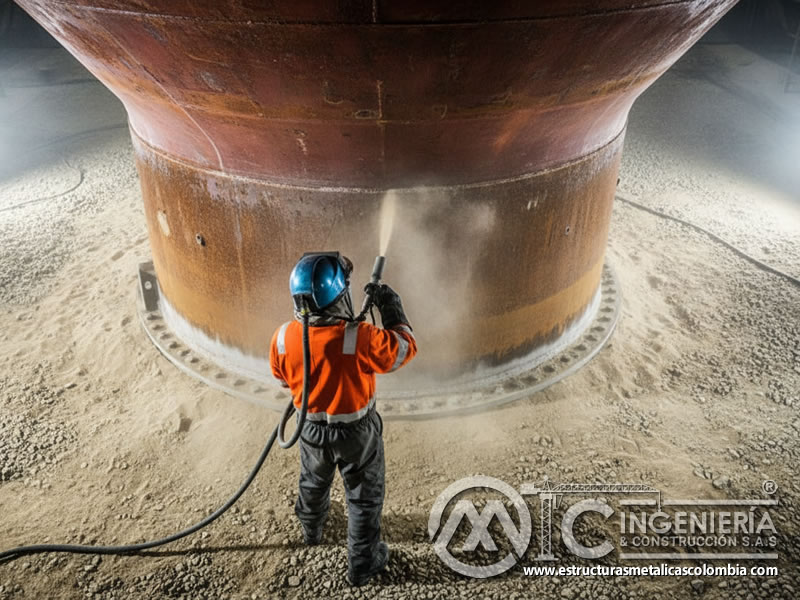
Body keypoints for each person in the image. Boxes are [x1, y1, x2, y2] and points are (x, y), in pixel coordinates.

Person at [269, 252, 416, 586]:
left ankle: (311, 528)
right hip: (357, 435)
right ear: (339, 296)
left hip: (309, 431)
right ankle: (364, 562)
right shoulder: (360, 336)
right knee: (364, 496)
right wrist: (392, 307)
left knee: (313, 480)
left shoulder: (281, 337)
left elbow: (283, 379)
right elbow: (404, 349)